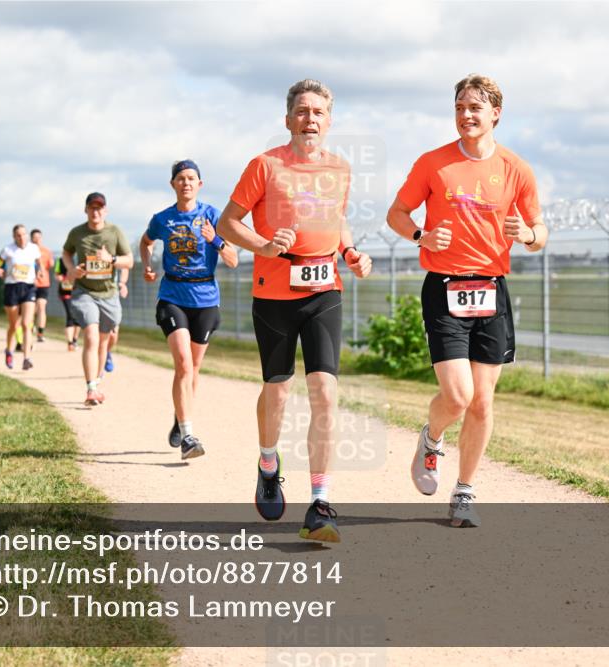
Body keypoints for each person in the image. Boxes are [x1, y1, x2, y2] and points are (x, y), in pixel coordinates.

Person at [386, 73, 549, 527]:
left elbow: (541, 232)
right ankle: (432, 437)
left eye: (475, 108)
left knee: (482, 402)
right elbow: (396, 213)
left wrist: (530, 234)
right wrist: (421, 234)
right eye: (459, 107)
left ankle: (464, 491)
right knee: (457, 397)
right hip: (444, 286)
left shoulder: (516, 169)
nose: (465, 115)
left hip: (491, 289)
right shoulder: (433, 164)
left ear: (495, 113)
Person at [216, 79, 372, 543]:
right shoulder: (264, 166)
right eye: (302, 111)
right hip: (274, 291)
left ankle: (321, 503)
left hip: (325, 288)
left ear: (329, 121)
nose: (310, 119)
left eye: (319, 112)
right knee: (278, 391)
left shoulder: (340, 169)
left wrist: (351, 252)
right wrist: (263, 245)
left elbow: (336, 219)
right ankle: (268, 461)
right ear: (288, 120)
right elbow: (227, 223)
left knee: (325, 391)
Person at [139, 159, 239, 460]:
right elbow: (146, 242)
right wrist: (147, 264)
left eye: (191, 178)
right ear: (173, 184)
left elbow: (233, 259)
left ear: (200, 184)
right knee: (183, 364)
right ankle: (188, 436)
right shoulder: (163, 219)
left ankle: (179, 417)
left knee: (193, 369)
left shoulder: (212, 216)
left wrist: (216, 240)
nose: (186, 183)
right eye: (181, 178)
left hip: (206, 299)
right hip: (172, 295)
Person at [62, 192, 133, 406]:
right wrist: (72, 269)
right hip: (84, 292)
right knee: (91, 336)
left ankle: (97, 380)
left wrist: (110, 259)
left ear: (105, 210)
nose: (96, 211)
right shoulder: (77, 233)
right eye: (92, 208)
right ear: (86, 210)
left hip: (109, 294)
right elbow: (66, 253)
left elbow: (128, 261)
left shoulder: (114, 232)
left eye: (99, 208)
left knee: (104, 342)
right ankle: (91, 388)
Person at [0, 224, 43, 370]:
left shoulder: (34, 248)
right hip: (12, 287)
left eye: (24, 234)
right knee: (14, 326)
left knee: (27, 324)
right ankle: (9, 350)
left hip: (28, 287)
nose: (22, 238)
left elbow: (38, 263)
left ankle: (26, 358)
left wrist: (39, 272)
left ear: (27, 235)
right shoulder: (7, 250)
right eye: (18, 235)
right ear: (14, 237)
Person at [30, 229, 54, 343]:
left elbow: (50, 265)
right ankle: (30, 326)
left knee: (41, 305)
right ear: (31, 239)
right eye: (35, 237)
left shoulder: (46, 251)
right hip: (30, 282)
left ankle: (40, 333)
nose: (37, 240)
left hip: (43, 283)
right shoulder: (27, 250)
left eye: (39, 237)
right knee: (31, 309)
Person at [53, 256, 81, 351]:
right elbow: (56, 274)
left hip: (79, 292)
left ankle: (74, 340)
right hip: (66, 291)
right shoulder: (60, 260)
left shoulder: (81, 257)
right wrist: (60, 277)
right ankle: (70, 343)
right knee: (70, 315)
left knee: (78, 317)